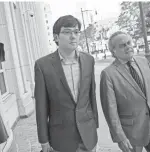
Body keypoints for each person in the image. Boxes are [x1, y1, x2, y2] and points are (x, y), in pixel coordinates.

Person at [34, 15, 99, 152]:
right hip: (61, 138)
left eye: (76, 32)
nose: (73, 36)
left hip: (88, 135)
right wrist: (43, 140)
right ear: (56, 37)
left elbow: (91, 95)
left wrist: (95, 125)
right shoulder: (43, 65)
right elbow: (41, 106)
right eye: (67, 32)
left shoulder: (89, 60)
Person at [100, 31, 150, 152]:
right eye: (123, 45)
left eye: (129, 43)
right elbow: (110, 110)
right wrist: (120, 137)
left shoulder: (143, 62)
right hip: (130, 132)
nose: (128, 47)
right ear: (113, 51)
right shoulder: (108, 74)